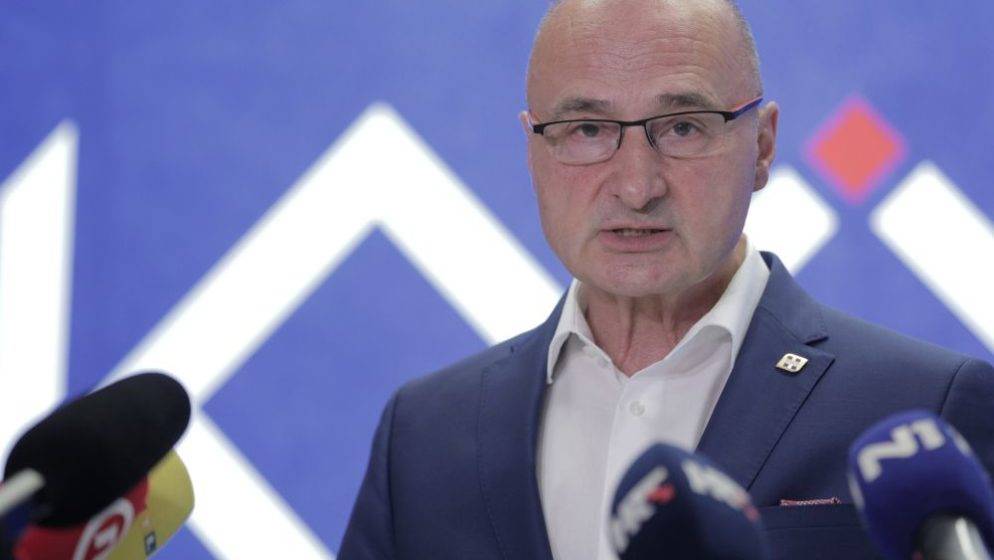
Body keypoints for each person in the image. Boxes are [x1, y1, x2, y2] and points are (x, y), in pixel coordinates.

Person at [339, 1, 994, 559]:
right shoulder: (421, 435)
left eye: (683, 127)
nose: (637, 186)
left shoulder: (925, 408)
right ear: (533, 150)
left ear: (763, 146)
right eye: (587, 129)